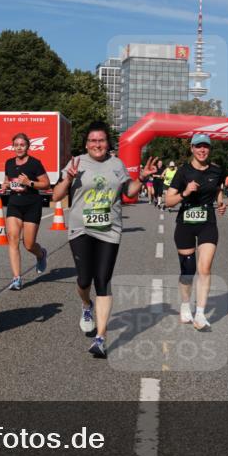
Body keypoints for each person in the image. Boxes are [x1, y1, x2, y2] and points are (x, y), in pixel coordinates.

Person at [52, 121, 159, 358]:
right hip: (81, 228)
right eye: (92, 141)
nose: (97, 145)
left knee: (102, 280)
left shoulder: (116, 164)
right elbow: (56, 196)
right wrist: (68, 179)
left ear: (107, 143)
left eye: (101, 140)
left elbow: (129, 192)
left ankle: (101, 338)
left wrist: (141, 177)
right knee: (83, 279)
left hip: (109, 229)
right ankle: (86, 306)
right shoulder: (76, 163)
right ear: (86, 144)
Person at [165, 133, 226, 330]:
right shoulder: (183, 172)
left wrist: (220, 202)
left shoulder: (217, 171)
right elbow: (168, 201)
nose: (202, 150)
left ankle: (200, 315)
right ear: (191, 148)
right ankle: (185, 305)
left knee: (205, 267)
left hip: (207, 222)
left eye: (205, 147)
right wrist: (185, 192)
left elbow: (218, 189)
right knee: (188, 270)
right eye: (198, 146)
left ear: (209, 149)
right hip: (185, 224)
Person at [3, 133, 50, 290]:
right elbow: (7, 180)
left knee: (28, 244)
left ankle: (41, 254)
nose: (19, 147)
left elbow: (46, 184)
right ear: (13, 146)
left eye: (22, 144)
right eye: (16, 144)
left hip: (32, 205)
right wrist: (5, 185)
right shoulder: (9, 163)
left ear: (28, 146)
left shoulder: (35, 163)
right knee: (13, 239)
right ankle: (16, 278)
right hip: (14, 204)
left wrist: (28, 182)